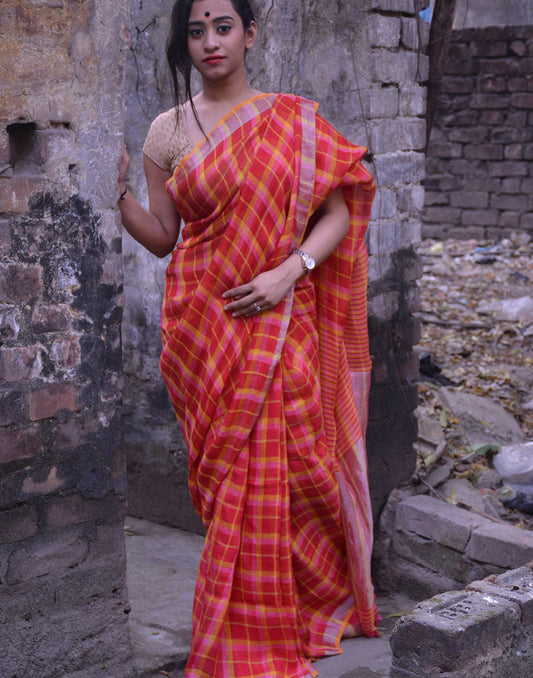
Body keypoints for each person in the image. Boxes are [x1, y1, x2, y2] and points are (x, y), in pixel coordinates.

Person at [118, 0, 379, 676]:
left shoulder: (293, 122)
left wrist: (290, 271)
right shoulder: (166, 131)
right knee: (228, 480)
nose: (209, 42)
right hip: (199, 333)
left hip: (276, 319)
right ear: (185, 44)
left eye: (222, 26)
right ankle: (258, 615)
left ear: (250, 34)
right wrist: (114, 195)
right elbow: (164, 239)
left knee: (293, 470)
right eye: (196, 31)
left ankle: (292, 608)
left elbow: (340, 211)